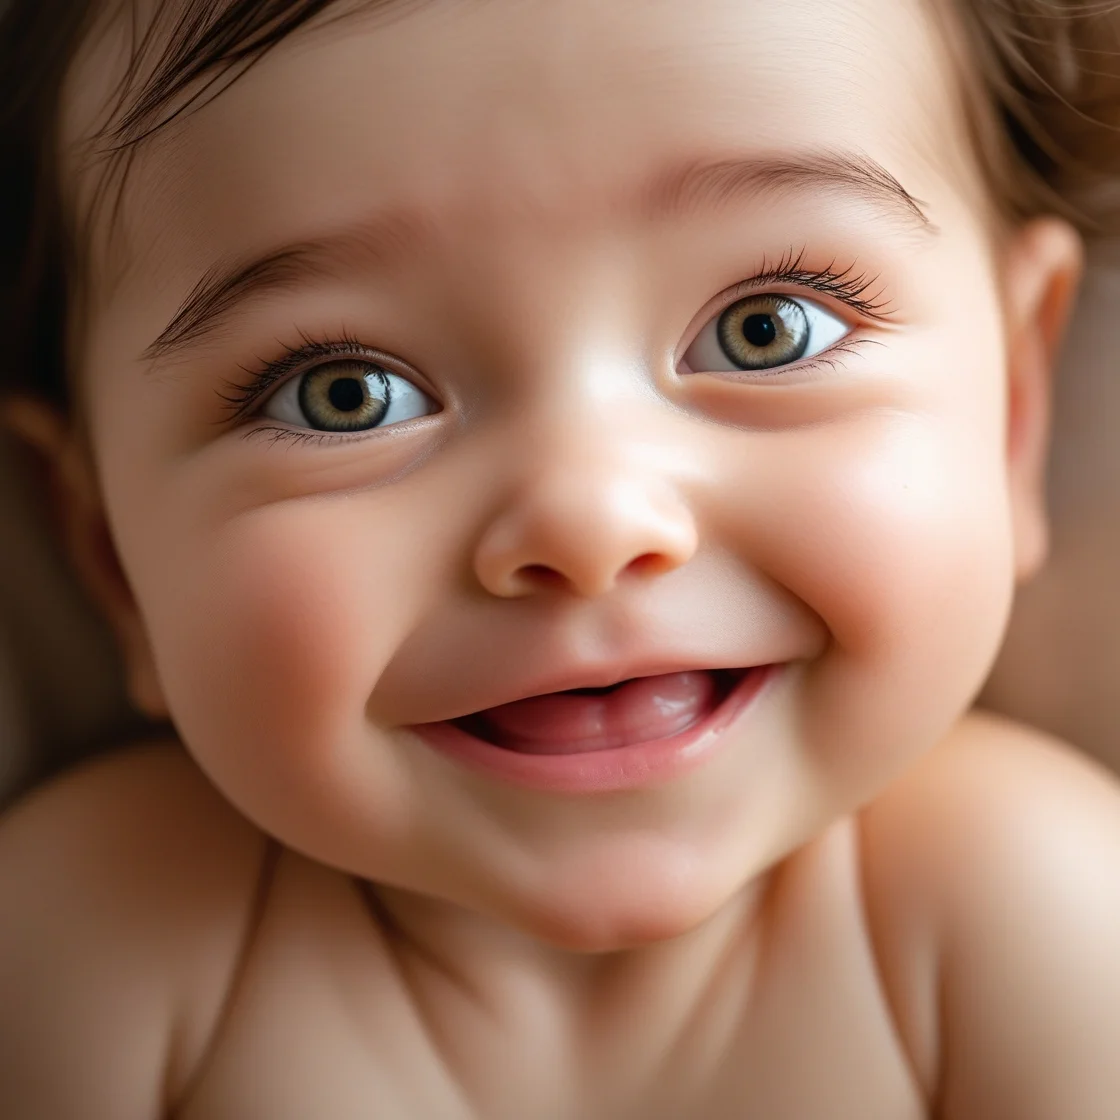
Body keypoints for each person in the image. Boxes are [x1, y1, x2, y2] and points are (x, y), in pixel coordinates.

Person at [2, 0, 1120, 1115]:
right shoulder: (84, 954)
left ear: (1012, 409)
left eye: (766, 327)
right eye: (344, 396)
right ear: (109, 557)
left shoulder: (1034, 921)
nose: (587, 523)